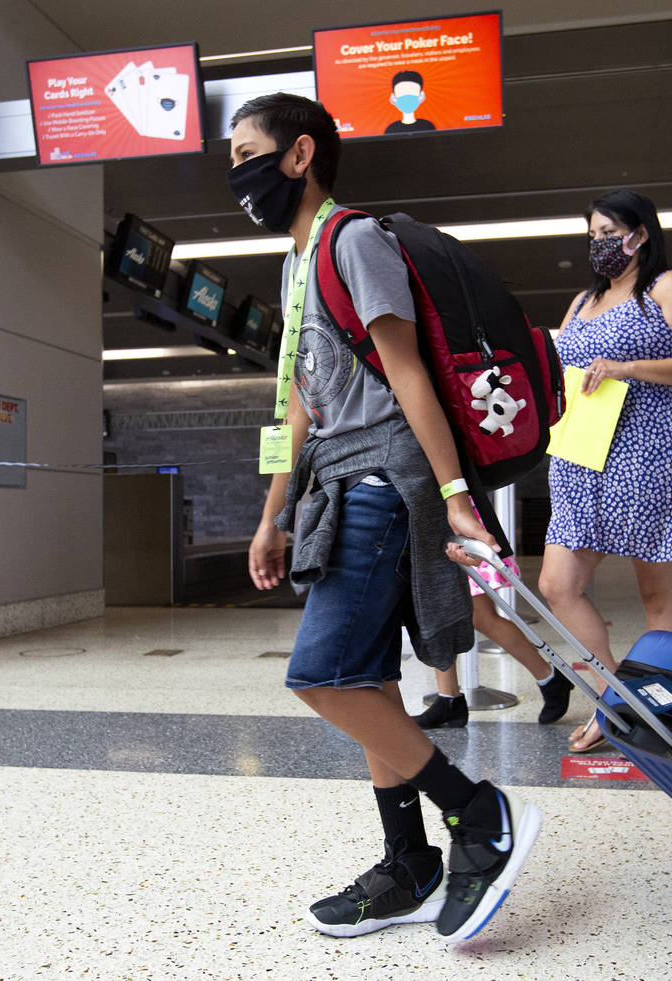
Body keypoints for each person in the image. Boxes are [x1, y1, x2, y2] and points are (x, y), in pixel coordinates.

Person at [229, 92, 538, 944]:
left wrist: (454, 495)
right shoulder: (296, 265)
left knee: (321, 674)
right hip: (333, 480)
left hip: (382, 478)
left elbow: (407, 376)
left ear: (298, 156)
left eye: (245, 153)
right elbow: (300, 400)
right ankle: (410, 863)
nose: (236, 174)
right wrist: (273, 512)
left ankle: (478, 815)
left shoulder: (352, 240)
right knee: (365, 679)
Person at [537, 188, 672, 754]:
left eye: (607, 233)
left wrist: (627, 366)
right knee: (556, 585)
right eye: (591, 235)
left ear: (640, 234)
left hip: (654, 450)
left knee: (654, 593)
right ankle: (619, 701)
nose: (598, 244)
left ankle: (671, 713)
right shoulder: (579, 303)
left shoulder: (668, 287)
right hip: (581, 453)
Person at [414, 543, 573, 729]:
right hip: (435, 536)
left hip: (455, 536)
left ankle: (549, 676)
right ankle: (449, 698)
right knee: (439, 613)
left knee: (481, 617)